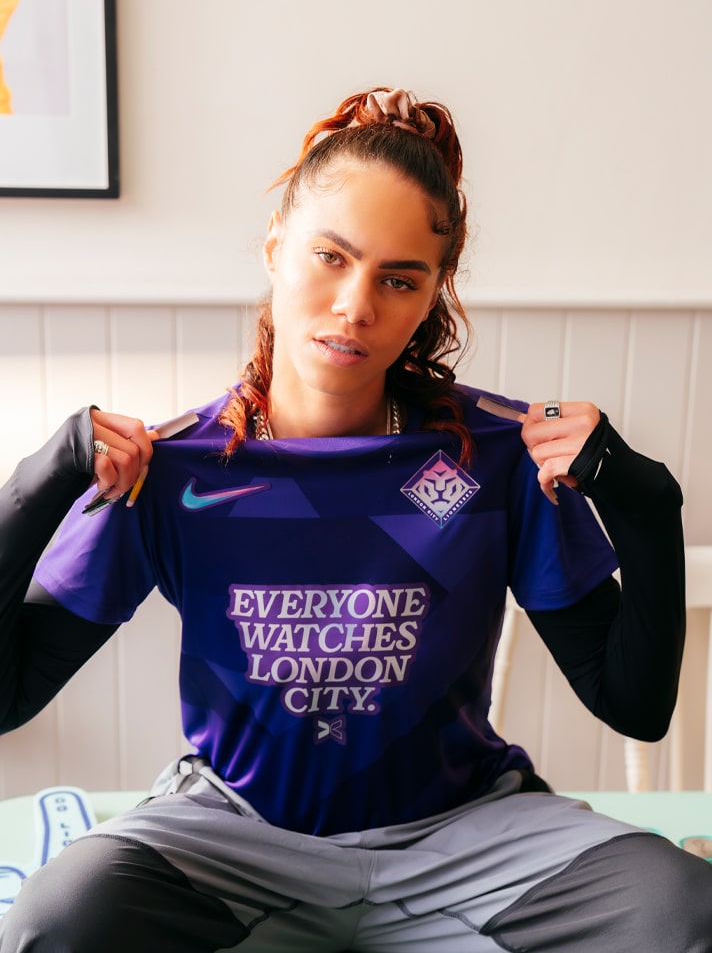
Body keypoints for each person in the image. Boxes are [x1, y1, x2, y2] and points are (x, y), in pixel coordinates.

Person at [0, 86, 709, 952]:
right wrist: (35, 485)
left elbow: (634, 706)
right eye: (330, 256)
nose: (355, 305)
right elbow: (7, 697)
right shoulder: (174, 468)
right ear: (275, 246)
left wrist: (647, 503)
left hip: (465, 839)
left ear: (431, 295)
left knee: (685, 911)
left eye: (398, 279)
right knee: (56, 922)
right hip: (238, 837)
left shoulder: (497, 456)